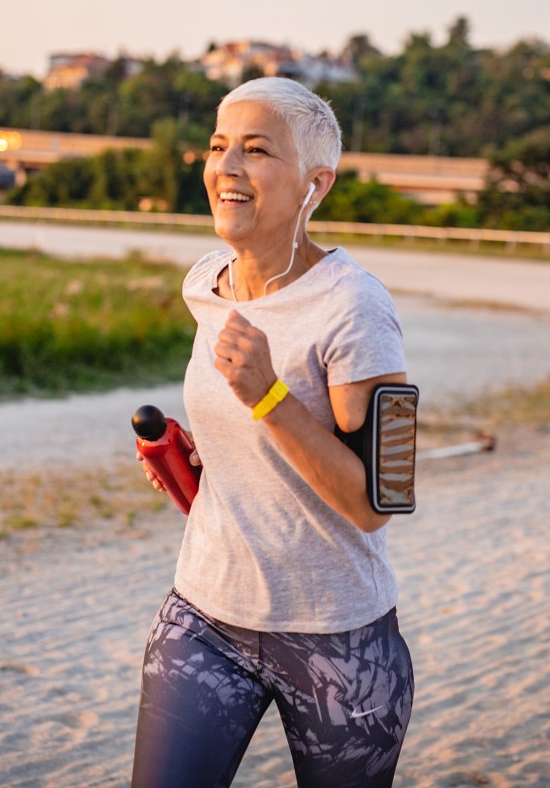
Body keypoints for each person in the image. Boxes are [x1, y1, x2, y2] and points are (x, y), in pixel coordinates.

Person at [132, 77, 415, 787]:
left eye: (255, 151)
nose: (225, 167)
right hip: (206, 613)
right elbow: (245, 435)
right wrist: (206, 455)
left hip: (337, 640)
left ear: (315, 183)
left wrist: (270, 398)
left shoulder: (358, 307)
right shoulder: (207, 283)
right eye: (219, 145)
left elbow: (380, 500)